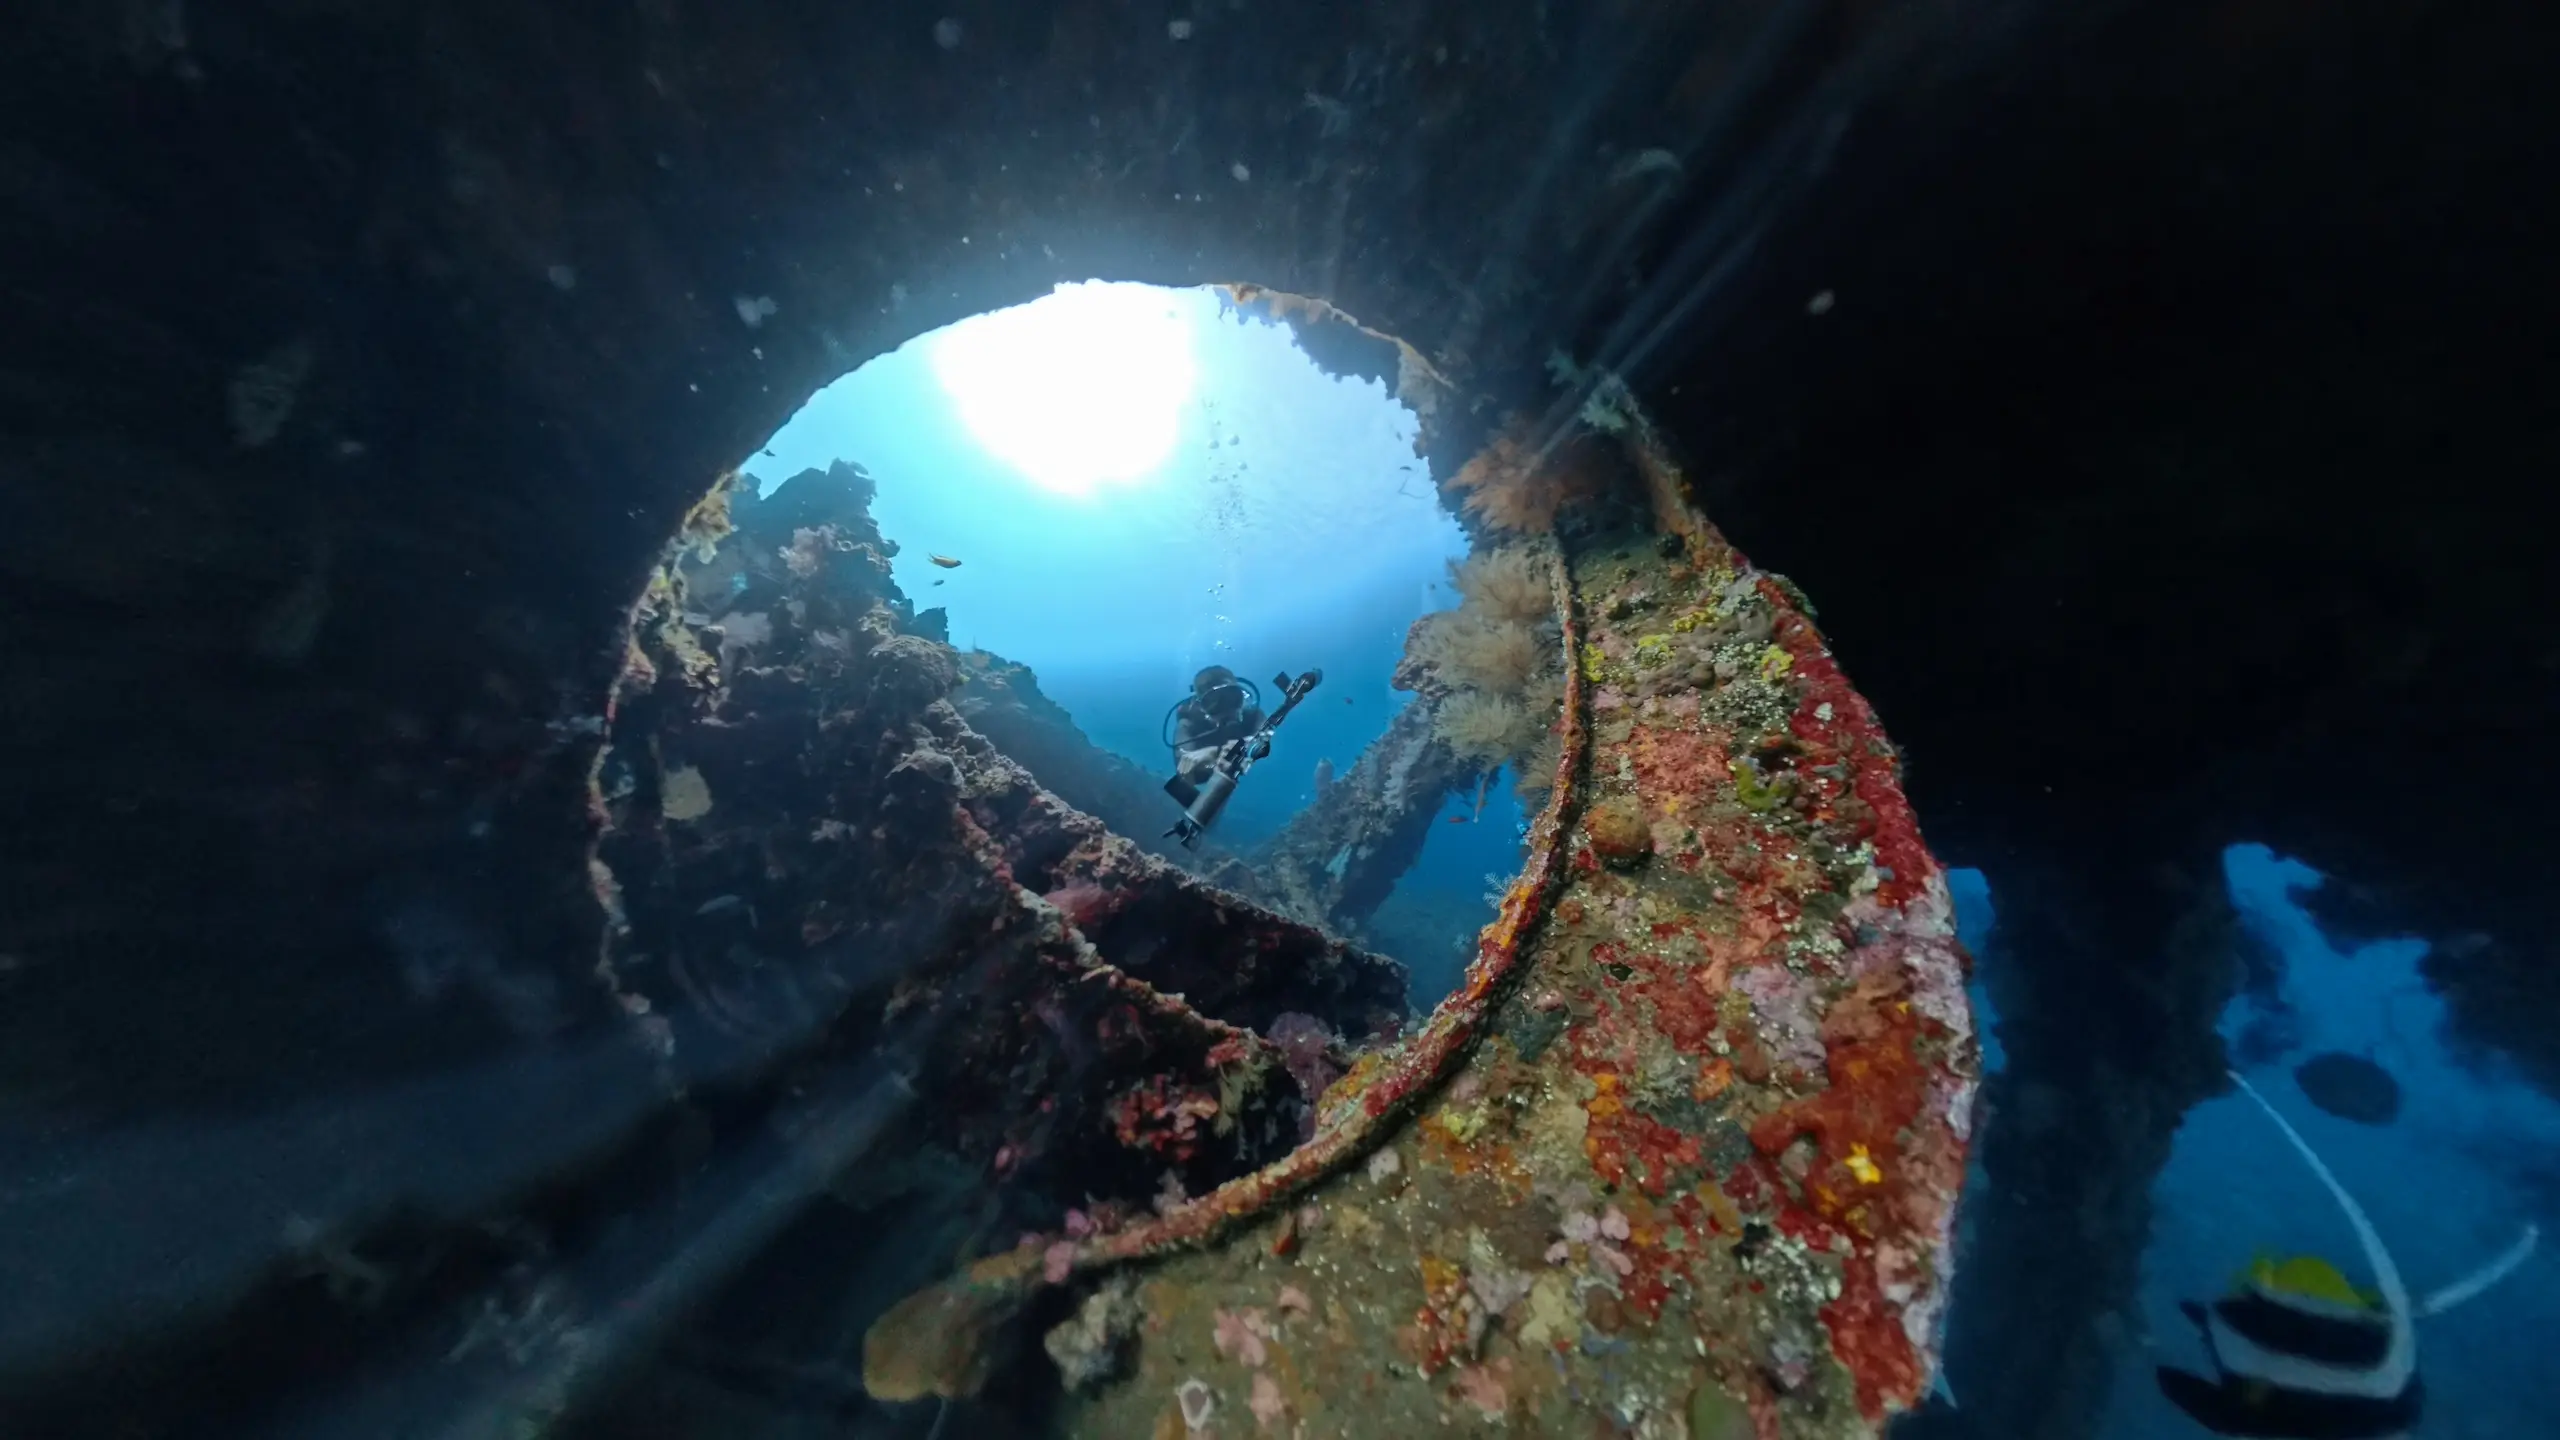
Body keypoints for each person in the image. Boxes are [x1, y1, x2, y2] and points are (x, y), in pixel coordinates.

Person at [1170, 666, 1264, 785]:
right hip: (1206, 773)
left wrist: (1216, 751)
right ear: (1202, 706)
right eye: (1214, 702)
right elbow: (1183, 764)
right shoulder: (1190, 722)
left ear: (1241, 695)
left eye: (1233, 698)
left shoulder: (1252, 715)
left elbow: (1264, 739)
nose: (1227, 709)